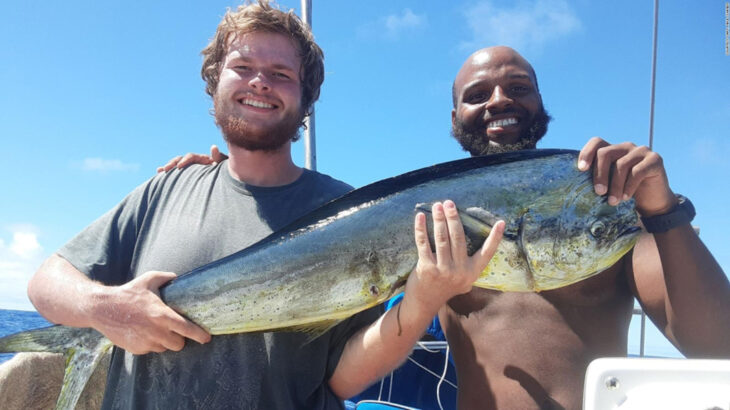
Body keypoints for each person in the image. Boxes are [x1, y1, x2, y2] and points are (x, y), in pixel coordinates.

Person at [168, 45, 730, 410]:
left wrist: (663, 209)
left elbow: (717, 346)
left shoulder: (602, 201)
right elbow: (323, 258)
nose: (499, 100)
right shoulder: (422, 216)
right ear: (456, 117)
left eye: (518, 87)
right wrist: (232, 175)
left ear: (540, 104)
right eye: (477, 95)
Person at [23, 3, 505, 409]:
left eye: (280, 74)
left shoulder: (350, 210)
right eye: (243, 68)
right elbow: (46, 284)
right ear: (215, 82)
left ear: (305, 98)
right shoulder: (164, 189)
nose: (259, 83)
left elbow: (342, 378)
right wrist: (106, 307)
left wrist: (424, 300)